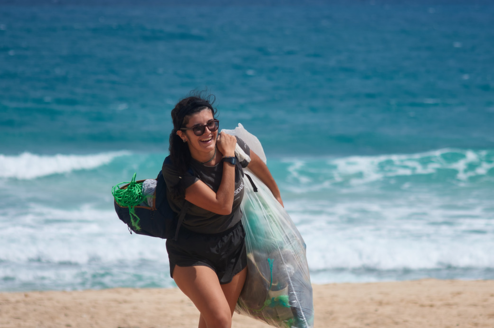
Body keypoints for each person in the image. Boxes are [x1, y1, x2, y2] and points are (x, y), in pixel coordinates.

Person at [162, 92, 283, 328]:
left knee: (212, 322)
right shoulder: (176, 169)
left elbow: (258, 166)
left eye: (211, 124)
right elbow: (222, 205)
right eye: (198, 129)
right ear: (182, 135)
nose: (207, 132)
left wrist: (277, 198)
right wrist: (228, 157)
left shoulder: (233, 145)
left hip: (233, 247)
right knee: (219, 320)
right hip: (191, 251)